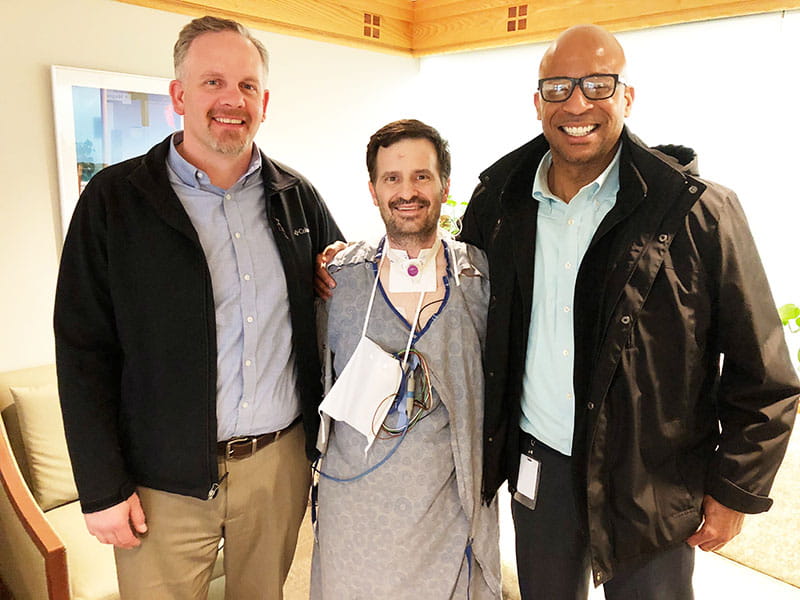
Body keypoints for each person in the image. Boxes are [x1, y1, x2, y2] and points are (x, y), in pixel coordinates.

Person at [457, 24, 800, 599]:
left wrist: (735, 488)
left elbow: (762, 369)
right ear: (538, 102)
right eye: (559, 87)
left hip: (650, 479)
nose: (577, 105)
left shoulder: (695, 211)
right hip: (539, 464)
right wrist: (348, 265)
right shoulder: (500, 201)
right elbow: (458, 302)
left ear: (627, 96)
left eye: (597, 84)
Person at [54, 15, 342, 599]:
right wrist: (102, 487)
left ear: (264, 102)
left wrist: (341, 269)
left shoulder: (297, 198)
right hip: (160, 482)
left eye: (247, 85)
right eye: (213, 82)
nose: (232, 100)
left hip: (277, 467)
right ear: (179, 96)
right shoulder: (114, 200)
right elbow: (83, 351)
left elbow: (341, 290)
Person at [310, 119, 500, 599]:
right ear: (373, 190)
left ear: (445, 186)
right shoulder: (338, 281)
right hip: (355, 506)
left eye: (421, 176)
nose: (407, 192)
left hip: (447, 509)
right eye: (392, 178)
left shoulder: (480, 281)